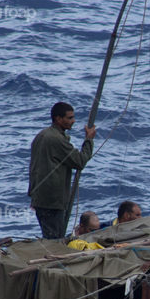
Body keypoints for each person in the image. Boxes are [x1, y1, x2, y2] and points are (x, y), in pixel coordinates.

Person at [28, 102, 96, 239]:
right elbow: (80, 161)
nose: (73, 121)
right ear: (58, 119)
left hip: (41, 198)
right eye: (69, 118)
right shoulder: (56, 139)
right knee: (55, 240)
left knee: (51, 237)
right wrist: (89, 140)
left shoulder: (42, 135)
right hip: (51, 202)